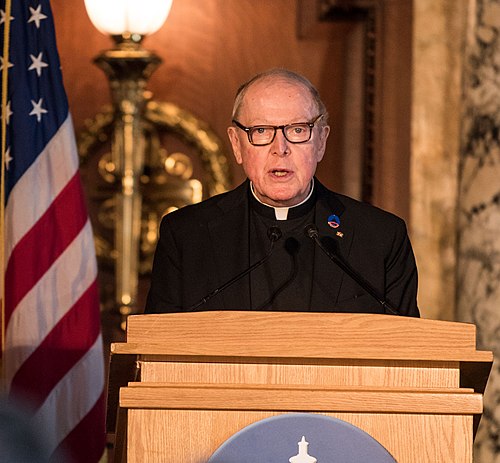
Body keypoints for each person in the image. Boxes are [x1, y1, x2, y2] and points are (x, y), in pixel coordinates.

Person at [145, 68, 419, 317]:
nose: (281, 148)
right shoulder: (188, 237)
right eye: (262, 131)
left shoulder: (380, 238)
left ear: (321, 141)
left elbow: (407, 354)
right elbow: (158, 348)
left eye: (297, 129)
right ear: (237, 145)